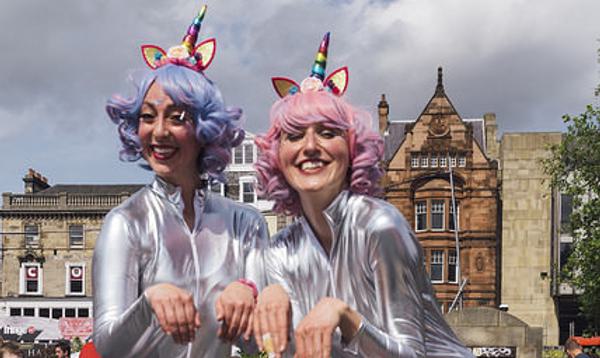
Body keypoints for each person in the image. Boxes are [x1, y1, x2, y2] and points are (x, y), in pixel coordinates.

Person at [253, 32, 473, 357]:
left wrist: (346, 317)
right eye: (295, 135)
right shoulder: (278, 251)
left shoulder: (380, 226)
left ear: (353, 150)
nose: (310, 147)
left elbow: (412, 354)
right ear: (277, 156)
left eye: (328, 133)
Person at [93, 5, 268, 357]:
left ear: (205, 128)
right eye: (147, 117)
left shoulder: (246, 223)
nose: (158, 132)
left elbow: (264, 344)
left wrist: (250, 294)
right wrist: (149, 302)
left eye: (177, 117)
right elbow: (107, 346)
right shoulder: (125, 223)